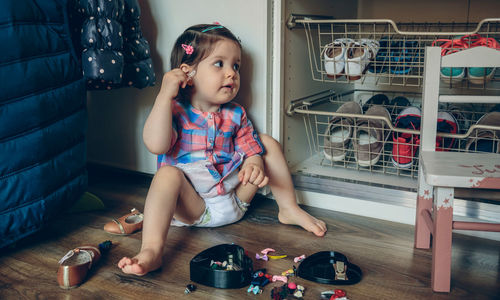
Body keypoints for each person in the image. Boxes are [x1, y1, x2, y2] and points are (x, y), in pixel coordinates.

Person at [118, 24, 327, 276]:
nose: (232, 74)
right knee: (166, 175)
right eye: (220, 64)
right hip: (194, 210)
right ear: (188, 73)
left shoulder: (235, 113)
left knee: (266, 143)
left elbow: (250, 147)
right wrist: (164, 96)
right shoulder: (174, 112)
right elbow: (156, 144)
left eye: (235, 66)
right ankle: (152, 250)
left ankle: (288, 208)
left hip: (235, 200)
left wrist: (254, 163)